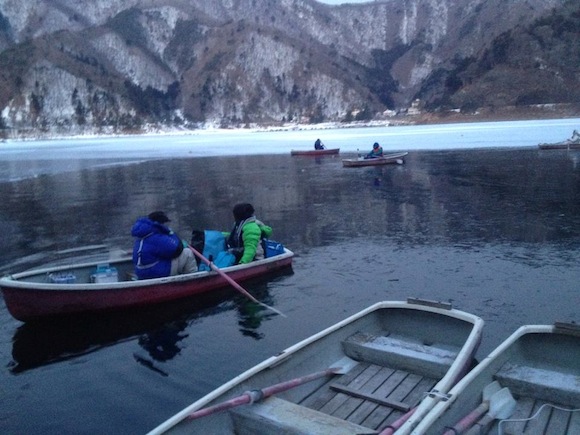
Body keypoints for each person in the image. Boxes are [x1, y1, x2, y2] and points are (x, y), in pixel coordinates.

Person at [131, 211, 197, 280]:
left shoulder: (141, 236)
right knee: (187, 252)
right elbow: (177, 249)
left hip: (141, 274)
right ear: (160, 223)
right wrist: (171, 233)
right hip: (156, 274)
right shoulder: (156, 237)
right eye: (165, 223)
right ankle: (193, 278)